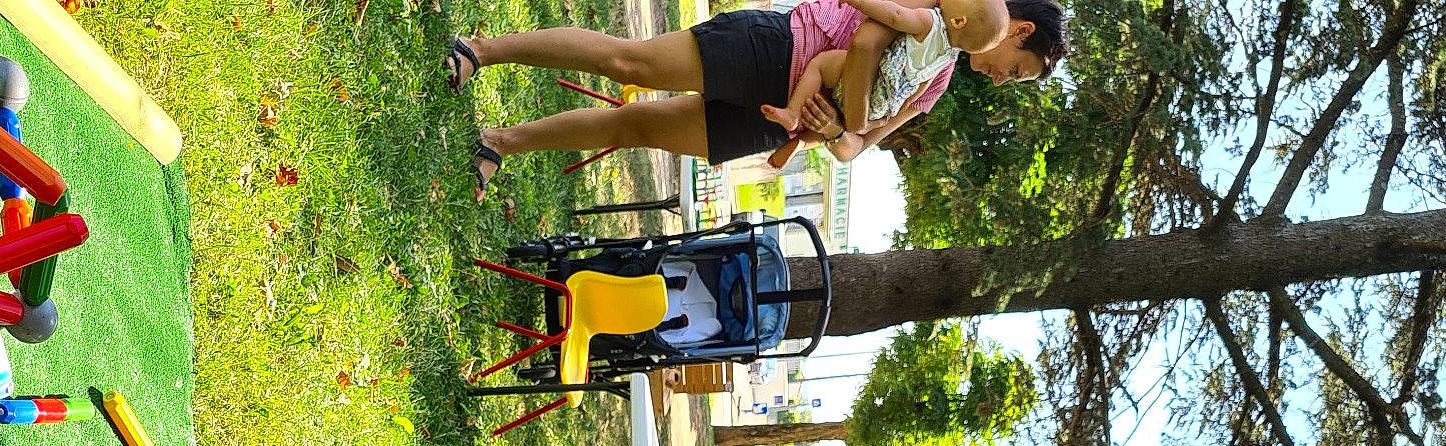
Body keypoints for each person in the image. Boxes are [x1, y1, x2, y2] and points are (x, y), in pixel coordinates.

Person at [450, 0, 1068, 196]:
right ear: (1019, 31)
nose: (999, 78)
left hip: (777, 124)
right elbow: (868, 34)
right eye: (1014, 71)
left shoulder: (937, 80)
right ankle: (482, 50)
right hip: (776, 50)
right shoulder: (937, 12)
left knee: (634, 128)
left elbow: (860, 146)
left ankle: (500, 143)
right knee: (626, 61)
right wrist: (844, 108)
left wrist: (834, 133)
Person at [762, 0, 1008, 138]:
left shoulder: (931, 22)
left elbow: (895, 15)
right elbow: (918, 89)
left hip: (862, 79)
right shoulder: (946, 59)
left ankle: (793, 113)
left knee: (820, 64)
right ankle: (795, 118)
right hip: (877, 107)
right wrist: (881, 118)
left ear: (958, 21)